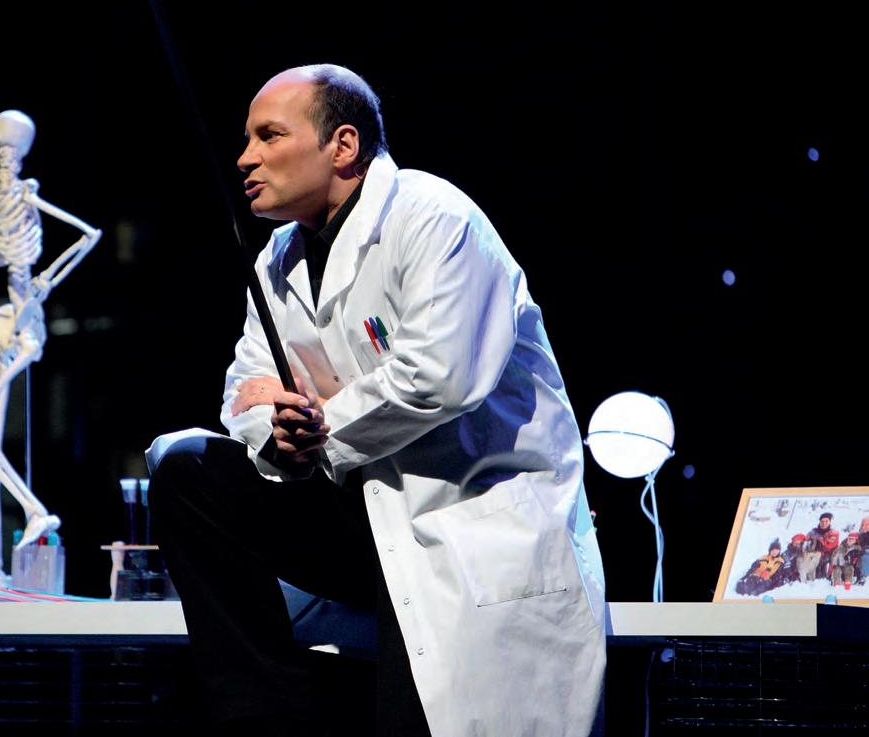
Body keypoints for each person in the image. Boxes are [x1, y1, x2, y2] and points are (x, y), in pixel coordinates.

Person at [147, 64, 605, 737]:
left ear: (343, 145)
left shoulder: (434, 218)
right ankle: (264, 713)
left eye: (269, 136)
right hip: (357, 519)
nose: (245, 157)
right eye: (246, 140)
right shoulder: (277, 258)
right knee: (186, 467)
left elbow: (442, 377)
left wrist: (320, 417)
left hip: (465, 526)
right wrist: (278, 431)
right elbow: (245, 391)